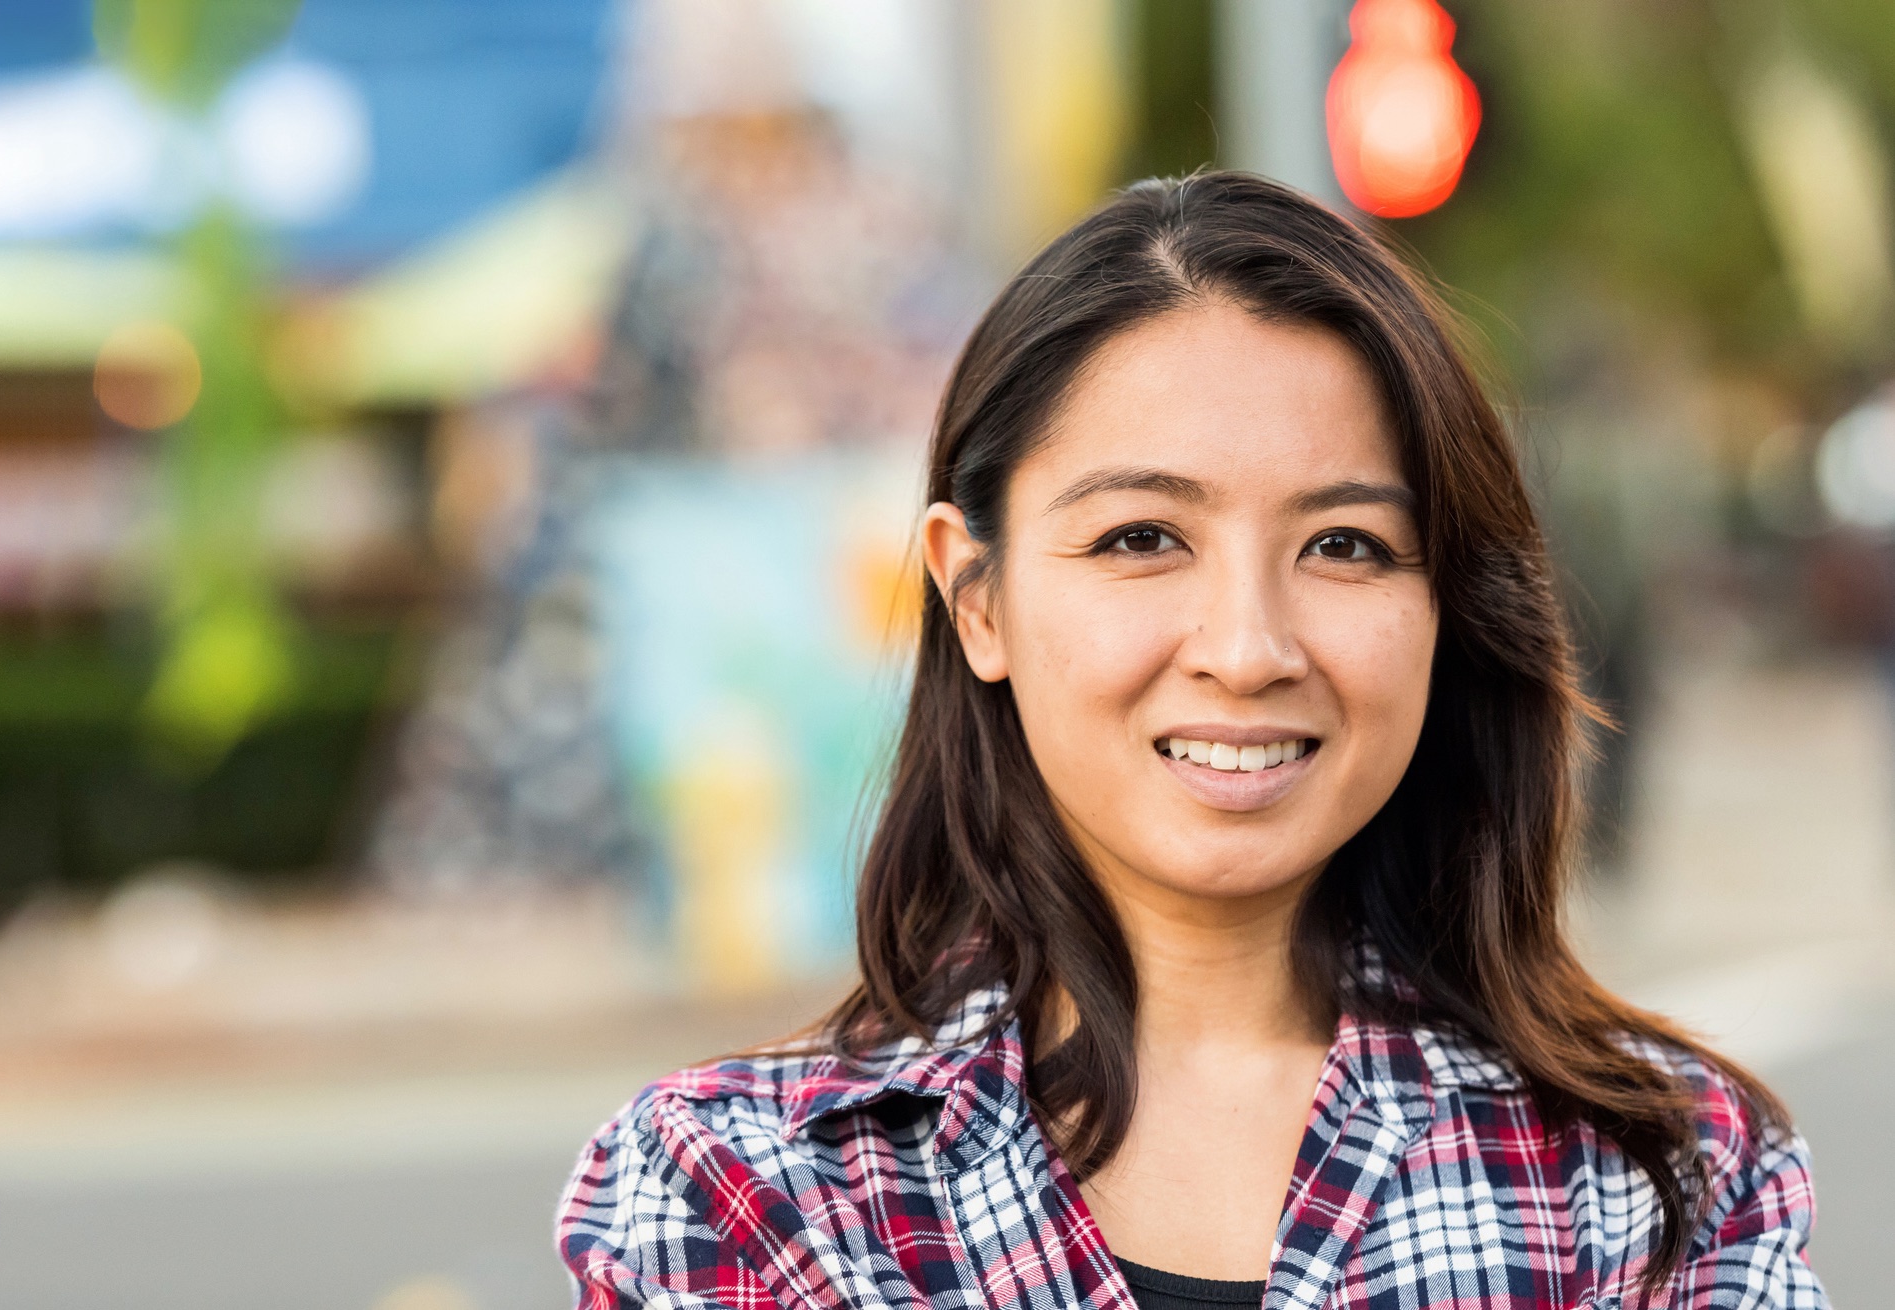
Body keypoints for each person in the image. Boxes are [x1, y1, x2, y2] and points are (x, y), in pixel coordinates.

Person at [556, 173, 1826, 1310]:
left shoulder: (1655, 1183)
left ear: (1444, 607)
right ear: (976, 595)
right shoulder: (748, 1196)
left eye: (1345, 546)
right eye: (1141, 538)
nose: (1248, 645)